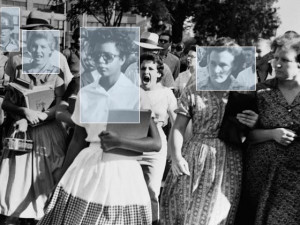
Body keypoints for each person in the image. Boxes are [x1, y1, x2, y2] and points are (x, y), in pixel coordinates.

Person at [37, 28, 162, 225]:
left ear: (122, 59)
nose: (101, 61)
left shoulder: (136, 95)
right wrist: (61, 177)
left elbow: (155, 143)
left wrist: (121, 141)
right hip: (87, 170)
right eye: (97, 55)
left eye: (108, 56)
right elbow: (78, 139)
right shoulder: (86, 94)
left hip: (123, 171)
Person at [160, 37, 259, 225]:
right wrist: (177, 157)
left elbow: (249, 136)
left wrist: (253, 123)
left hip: (228, 164)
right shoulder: (194, 89)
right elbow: (178, 127)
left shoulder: (243, 94)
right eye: (213, 63)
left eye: (223, 65)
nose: (217, 69)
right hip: (193, 159)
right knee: (183, 215)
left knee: (214, 218)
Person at [0, 30, 67, 224]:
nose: (38, 51)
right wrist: (24, 111)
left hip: (47, 132)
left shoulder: (57, 74)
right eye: (34, 47)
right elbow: (6, 104)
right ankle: (17, 216)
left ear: (50, 49)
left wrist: (32, 119)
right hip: (22, 132)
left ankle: (42, 218)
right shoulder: (21, 70)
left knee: (47, 180)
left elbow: (60, 106)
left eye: (43, 47)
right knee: (18, 183)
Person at [241, 35, 300, 225]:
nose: (277, 64)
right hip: (261, 175)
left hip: (295, 176)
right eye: (275, 58)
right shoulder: (260, 91)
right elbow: (244, 135)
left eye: (285, 60)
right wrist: (272, 134)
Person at [139, 53, 177, 224]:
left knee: (152, 190)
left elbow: (177, 124)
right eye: (143, 68)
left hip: (156, 145)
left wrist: (174, 150)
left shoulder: (166, 94)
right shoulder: (134, 91)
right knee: (130, 188)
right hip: (134, 141)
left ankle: (153, 221)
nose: (145, 71)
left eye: (150, 69)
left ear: (159, 73)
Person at [5, 10, 73, 88]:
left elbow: (68, 85)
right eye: (29, 30)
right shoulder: (14, 55)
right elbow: (10, 82)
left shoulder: (59, 58)